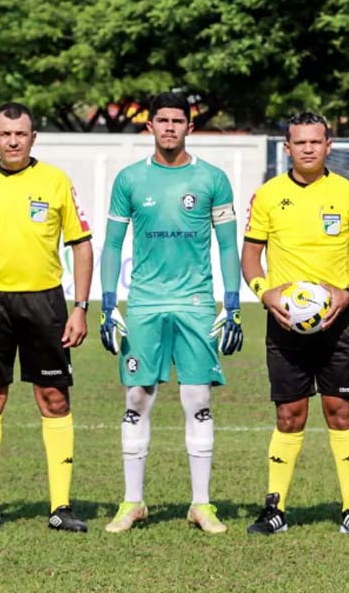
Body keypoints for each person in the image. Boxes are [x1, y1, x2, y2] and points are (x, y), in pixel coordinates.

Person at [0, 102, 93, 532]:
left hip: (45, 303)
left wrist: (81, 307)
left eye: (21, 134)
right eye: (5, 134)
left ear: (33, 138)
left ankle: (61, 507)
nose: (13, 141)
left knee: (54, 398)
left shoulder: (55, 180)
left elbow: (81, 244)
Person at [99, 92, 244, 534]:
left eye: (177, 120)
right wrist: (108, 303)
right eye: (161, 120)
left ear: (189, 127)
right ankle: (133, 503)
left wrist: (233, 304)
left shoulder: (213, 179)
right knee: (137, 398)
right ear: (150, 126)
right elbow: (110, 244)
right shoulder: (128, 180)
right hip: (143, 303)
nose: (168, 127)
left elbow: (225, 245)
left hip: (196, 304)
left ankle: (201, 505)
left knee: (197, 400)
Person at [242, 111, 349, 536]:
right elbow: (250, 256)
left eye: (315, 142)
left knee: (340, 411)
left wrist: (347, 293)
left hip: (337, 319)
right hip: (284, 322)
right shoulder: (267, 195)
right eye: (299, 142)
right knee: (289, 414)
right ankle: (275, 507)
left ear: (328, 146)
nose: (307, 148)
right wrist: (265, 292)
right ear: (287, 147)